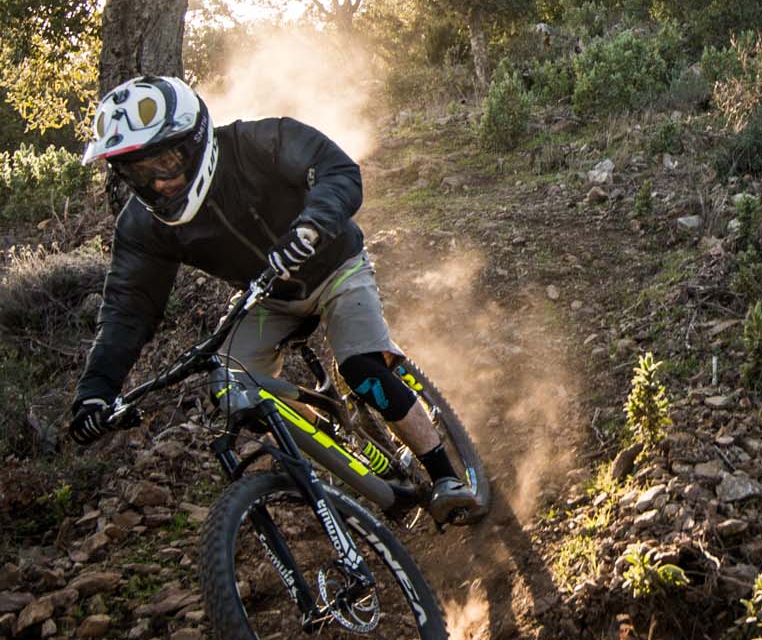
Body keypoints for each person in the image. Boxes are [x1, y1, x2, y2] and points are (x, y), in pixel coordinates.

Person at [68, 74, 477, 521]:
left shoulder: (257, 142)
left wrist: (312, 224)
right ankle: (334, 443)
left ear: (195, 140)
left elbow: (337, 169)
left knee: (361, 368)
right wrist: (96, 392)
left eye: (165, 162)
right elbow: (129, 307)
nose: (160, 184)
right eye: (139, 174)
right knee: (230, 386)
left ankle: (445, 475)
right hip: (268, 297)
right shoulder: (143, 226)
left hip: (336, 266)